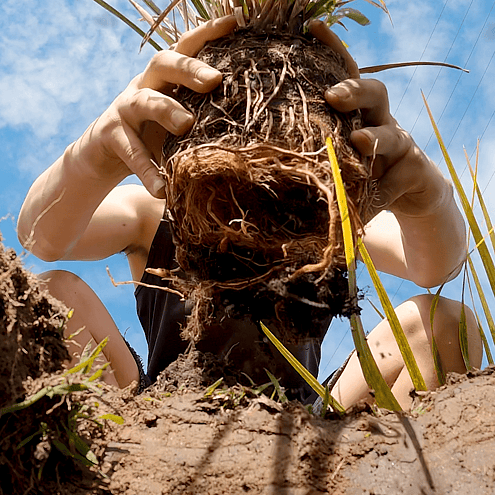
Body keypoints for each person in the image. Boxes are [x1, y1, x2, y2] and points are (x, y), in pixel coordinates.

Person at [17, 16, 482, 410]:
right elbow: (43, 238)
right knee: (54, 297)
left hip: (306, 415)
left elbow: (435, 266)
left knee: (445, 324)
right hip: (156, 408)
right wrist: (95, 152)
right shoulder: (152, 209)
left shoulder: (329, 219)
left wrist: (426, 195)